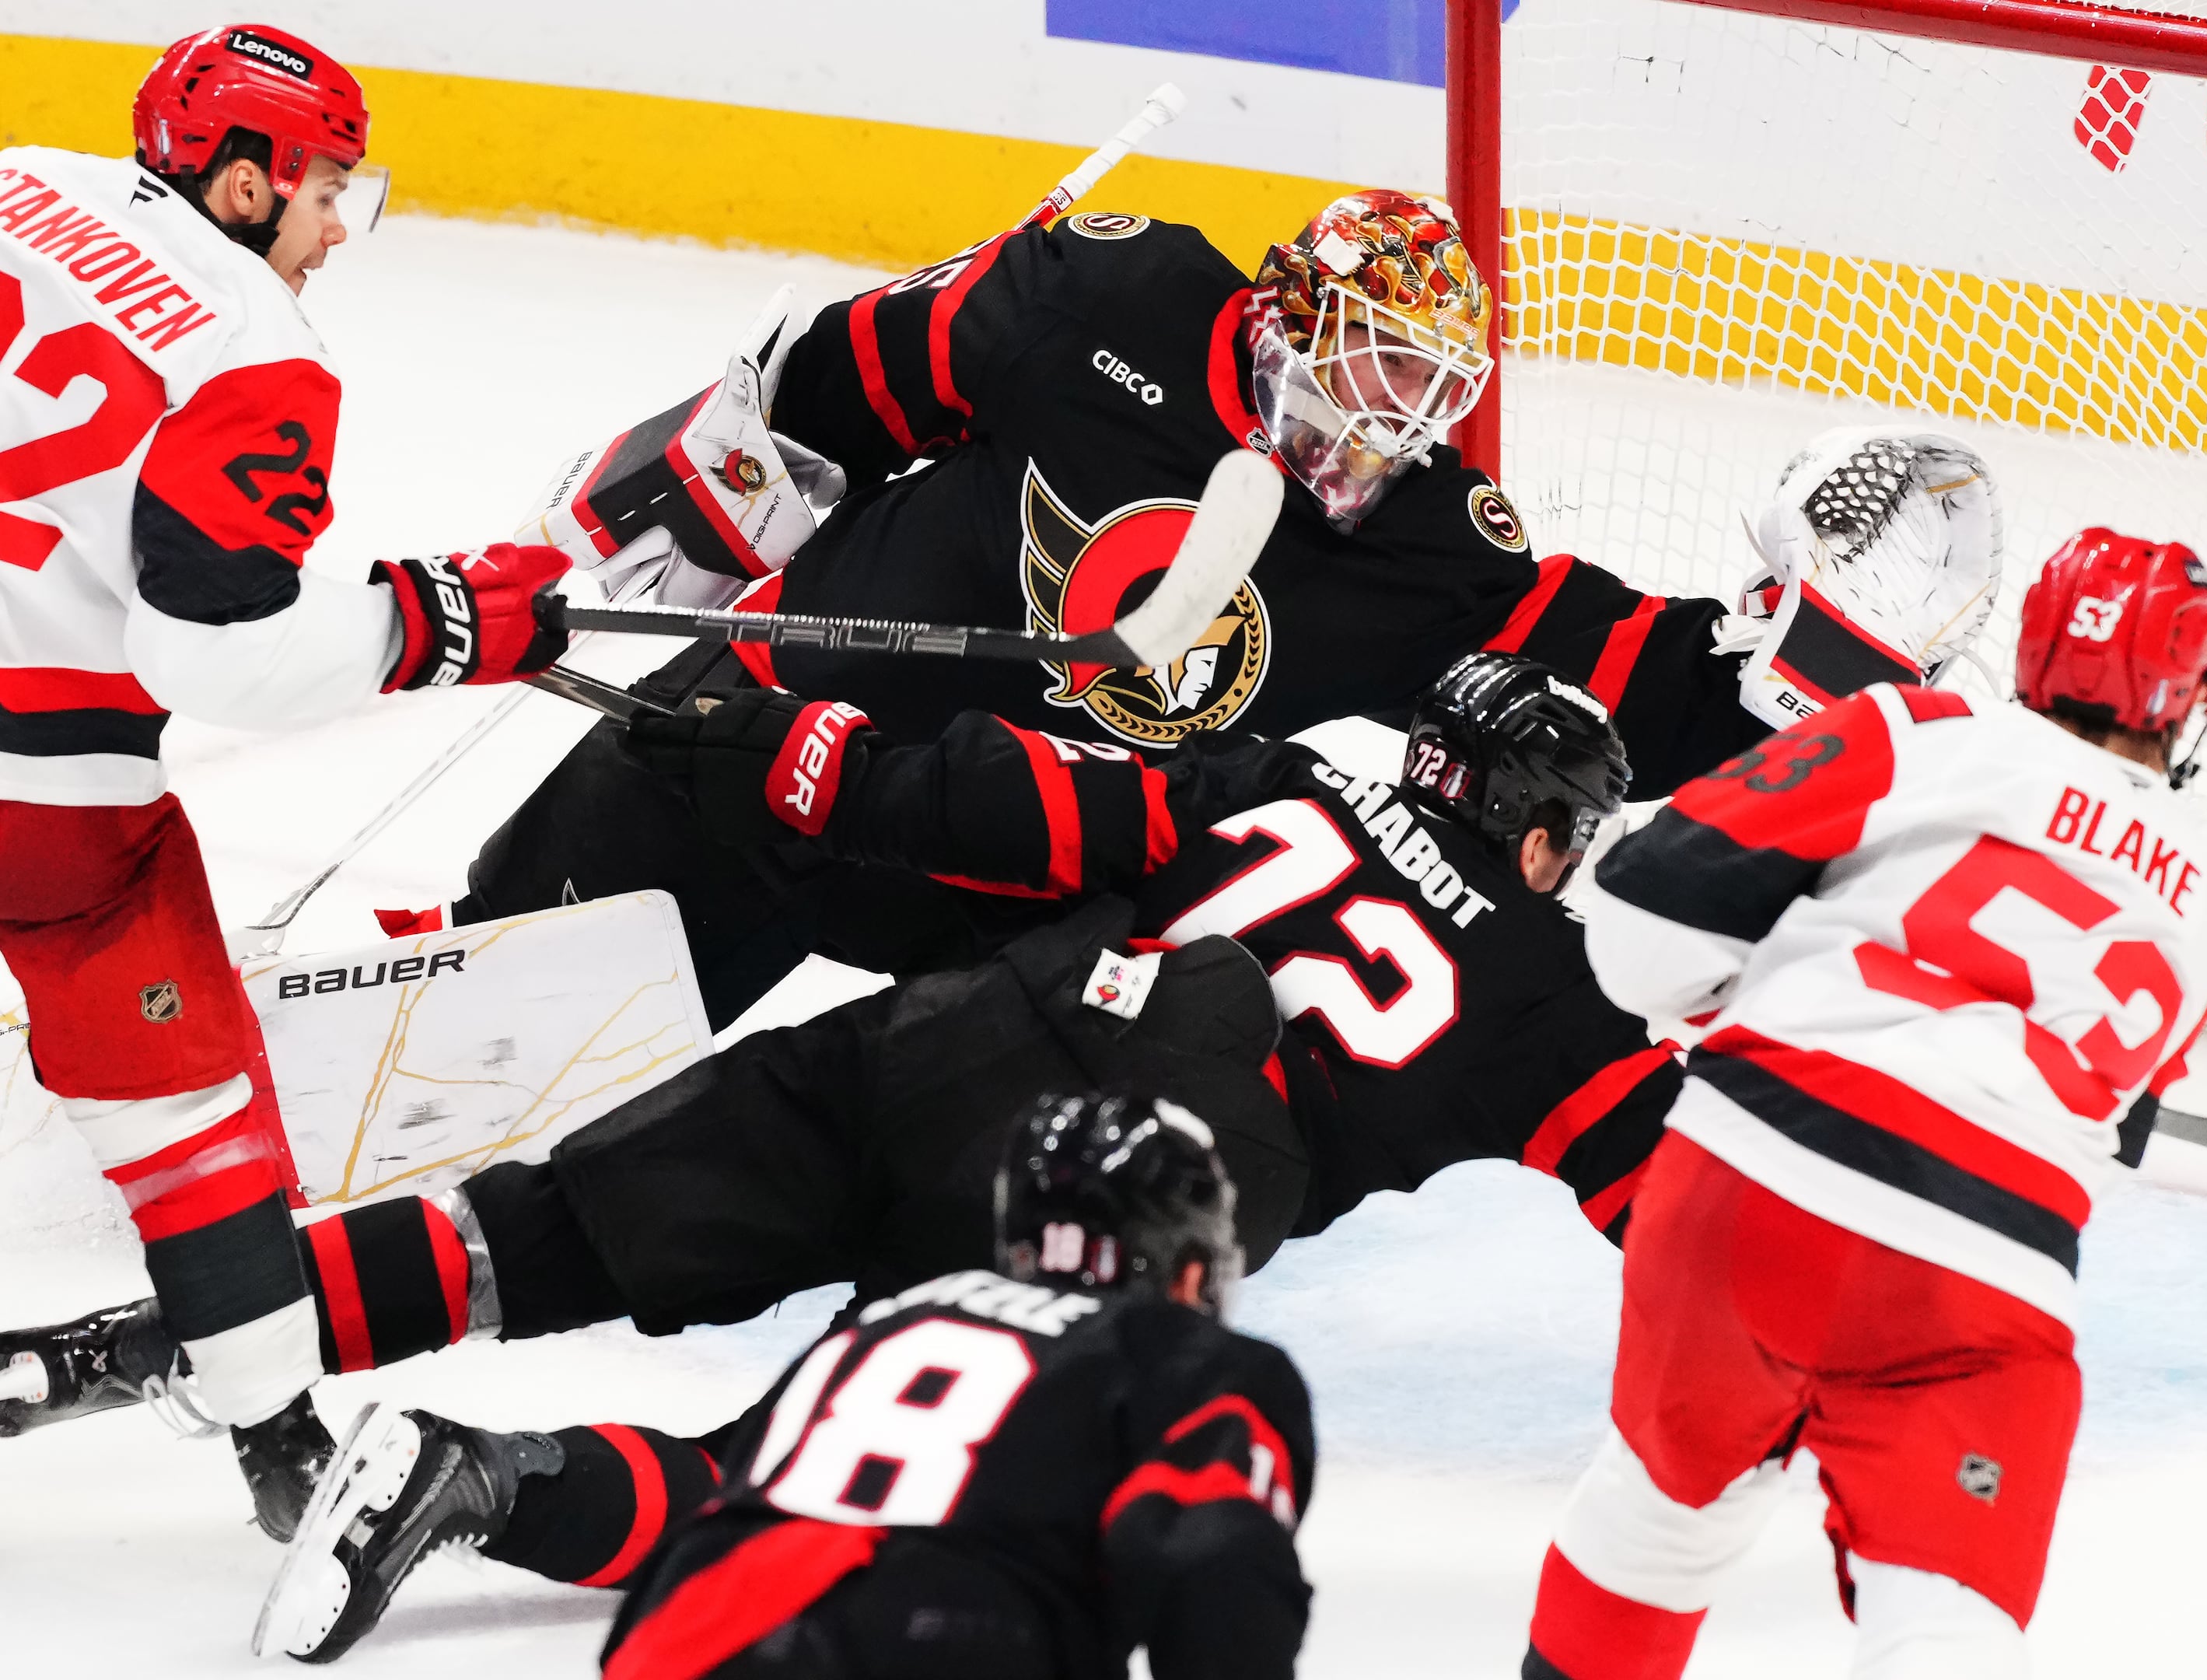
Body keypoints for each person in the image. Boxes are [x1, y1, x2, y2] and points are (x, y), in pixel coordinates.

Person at [0, 654, 1672, 1624]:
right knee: (792, 1482)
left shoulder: (1279, 780)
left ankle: (119, 1344)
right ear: (1534, 832)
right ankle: (476, 1482)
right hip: (1106, 1203)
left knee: (530, 1235)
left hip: (956, 1033)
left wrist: (782, 754)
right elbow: (1678, 1197)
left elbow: (1011, 805)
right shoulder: (1561, 992)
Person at [460, 173, 2007, 1028]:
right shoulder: (1105, 304)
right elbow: (844, 378)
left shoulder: (1416, 538)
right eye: (1376, 363)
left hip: (1000, 890)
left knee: (986, 1111)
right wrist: (692, 499)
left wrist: (1791, 669)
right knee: (478, 1034)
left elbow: (1612, 669)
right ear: (1285, 314)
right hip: (783, 746)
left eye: (1431, 390)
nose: (1395, 418)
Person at [1517, 528, 2207, 1679]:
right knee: (1944, 1619)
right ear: (2187, 696)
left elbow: (1640, 919)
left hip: (1741, 1177)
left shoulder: (1917, 728)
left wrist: (1750, 1000)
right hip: (1976, 1260)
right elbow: (2116, 1130)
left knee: (1656, 1518)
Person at [0, 23, 573, 1472]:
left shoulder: (17, 182)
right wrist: (430, 626)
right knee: (186, 1102)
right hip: (43, 807)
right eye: (327, 191)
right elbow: (216, 653)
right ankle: (280, 1445)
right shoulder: (258, 353)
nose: (335, 230)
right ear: (245, 181)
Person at [257, 1091, 1316, 1676]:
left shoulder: (899, 1320)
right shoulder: (1197, 1363)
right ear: (1185, 1257)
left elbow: (724, 1509)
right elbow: (1214, 1563)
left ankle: (499, 1474)